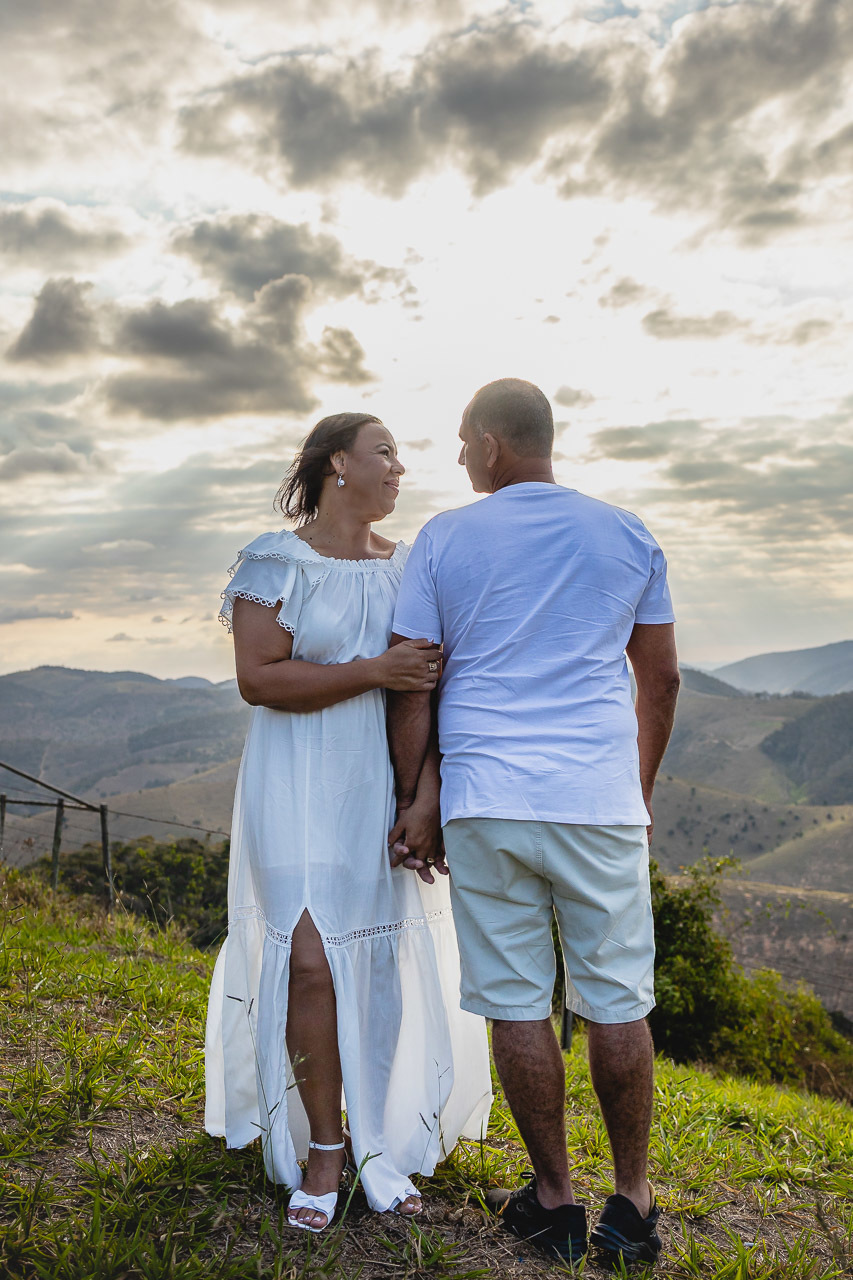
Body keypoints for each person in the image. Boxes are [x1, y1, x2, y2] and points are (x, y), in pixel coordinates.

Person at [387, 379, 680, 1270]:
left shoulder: (443, 538)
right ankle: (630, 1205)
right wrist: (634, 787)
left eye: (463, 443)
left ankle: (552, 1201)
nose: (460, 458)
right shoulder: (626, 532)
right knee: (616, 998)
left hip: (487, 797)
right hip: (595, 798)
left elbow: (415, 681)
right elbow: (659, 679)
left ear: (488, 443)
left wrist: (415, 798)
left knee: (515, 1001)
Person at [205, 412, 492, 1233]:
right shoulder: (275, 561)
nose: (400, 468)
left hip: (379, 787)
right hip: (293, 785)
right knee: (306, 962)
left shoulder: (409, 569)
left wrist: (421, 798)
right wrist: (372, 668)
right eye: (385, 453)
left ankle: (375, 1142)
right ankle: (323, 1149)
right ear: (339, 464)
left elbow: (431, 693)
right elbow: (258, 678)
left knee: (374, 964)